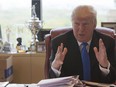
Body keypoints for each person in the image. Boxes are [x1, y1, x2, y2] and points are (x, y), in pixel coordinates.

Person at [49, 5, 116, 83]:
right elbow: (50, 79)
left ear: (94, 24)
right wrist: (55, 67)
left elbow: (112, 80)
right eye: (77, 24)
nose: (81, 29)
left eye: (85, 24)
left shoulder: (107, 43)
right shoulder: (59, 43)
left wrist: (104, 66)